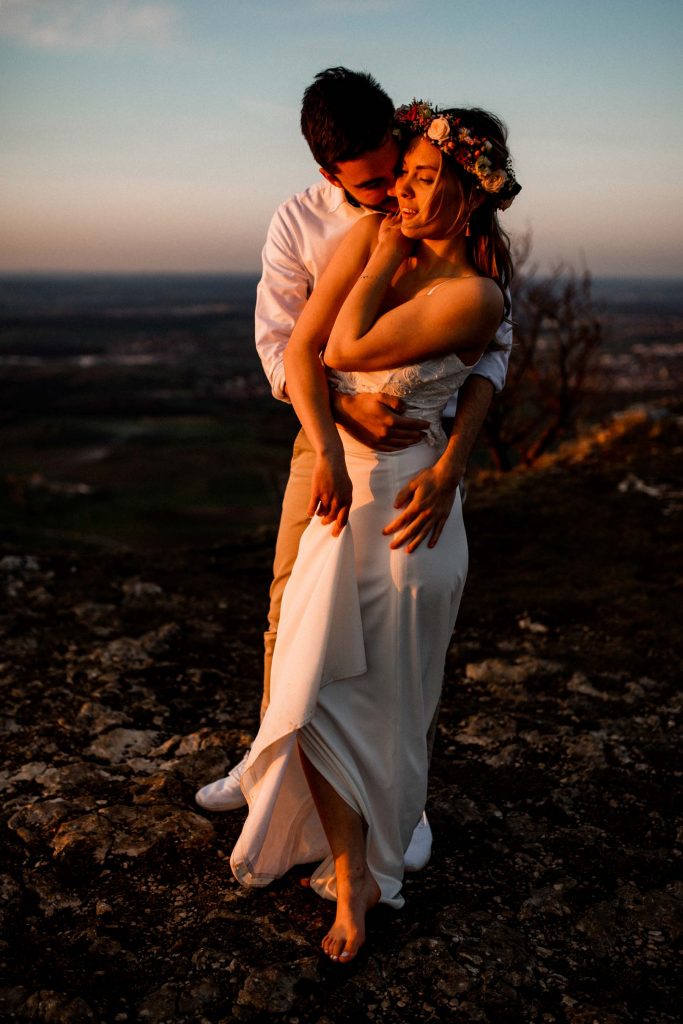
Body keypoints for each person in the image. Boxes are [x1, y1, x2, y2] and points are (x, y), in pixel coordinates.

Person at [195, 70, 511, 871]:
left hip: (417, 446)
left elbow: (491, 359)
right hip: (325, 438)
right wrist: (337, 422)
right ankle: (271, 763)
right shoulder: (300, 221)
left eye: (396, 169)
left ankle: (399, 801)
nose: (387, 194)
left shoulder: (436, 205)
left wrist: (450, 464)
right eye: (370, 182)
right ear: (329, 172)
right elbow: (282, 346)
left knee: (404, 635)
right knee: (289, 604)